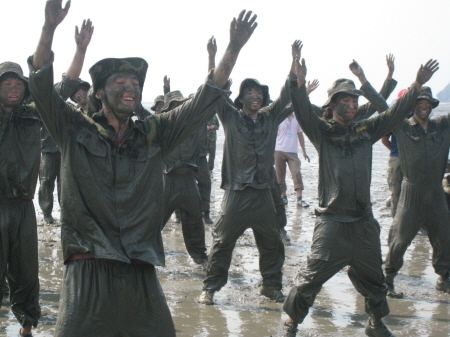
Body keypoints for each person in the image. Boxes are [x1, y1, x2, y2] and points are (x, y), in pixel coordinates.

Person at [29, 1, 258, 335]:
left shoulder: (154, 133)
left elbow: (204, 100)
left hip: (139, 263)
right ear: (99, 92)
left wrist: (233, 49)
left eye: (135, 82)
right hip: (88, 262)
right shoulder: (72, 127)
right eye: (120, 80)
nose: (131, 86)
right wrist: (49, 28)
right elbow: (39, 83)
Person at [281, 54, 438, 337]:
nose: (352, 106)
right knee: (310, 278)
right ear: (333, 105)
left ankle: (376, 324)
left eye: (355, 102)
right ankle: (291, 323)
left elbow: (394, 112)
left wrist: (416, 84)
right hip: (332, 223)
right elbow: (302, 109)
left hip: (364, 223)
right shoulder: (322, 132)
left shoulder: (366, 130)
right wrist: (298, 81)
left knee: (375, 279)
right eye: (346, 101)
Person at [198, 40, 305, 306]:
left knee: (272, 243)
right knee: (222, 243)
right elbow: (212, 90)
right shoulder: (230, 116)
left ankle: (270, 287)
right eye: (250, 92)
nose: (255, 96)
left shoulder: (271, 117)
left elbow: (286, 92)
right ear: (241, 98)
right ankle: (210, 289)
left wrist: (294, 61)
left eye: (259, 92)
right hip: (236, 193)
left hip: (263, 195)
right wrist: (212, 59)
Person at [384, 86, 450, 299]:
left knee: (444, 237)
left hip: (436, 193)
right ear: (413, 106)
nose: (424, 106)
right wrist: (364, 81)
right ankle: (388, 279)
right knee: (400, 240)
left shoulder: (441, 126)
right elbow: (381, 106)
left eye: (427, 103)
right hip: (410, 194)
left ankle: (444, 278)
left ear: (432, 106)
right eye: (420, 103)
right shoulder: (403, 127)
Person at [38, 18, 94, 225]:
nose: (80, 94)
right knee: (46, 180)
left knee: (65, 182)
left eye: (83, 91)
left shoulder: (75, 111)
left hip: (64, 149)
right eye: (76, 91)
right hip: (47, 148)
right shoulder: (50, 103)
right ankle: (46, 212)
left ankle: (65, 210)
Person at [0, 61, 42, 337]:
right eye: (7, 84)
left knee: (26, 271)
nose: (14, 89)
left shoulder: (34, 116)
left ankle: (27, 326)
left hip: (24, 207)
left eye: (18, 85)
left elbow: (63, 88)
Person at [160, 90, 209, 267]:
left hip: (189, 179)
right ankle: (142, 253)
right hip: (167, 180)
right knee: (154, 220)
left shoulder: (193, 124)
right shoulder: (161, 127)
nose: (179, 108)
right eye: (174, 105)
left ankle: (200, 255)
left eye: (181, 104)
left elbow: (207, 102)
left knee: (195, 219)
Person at [275, 108, 311, 207]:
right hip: (279, 150)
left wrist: (304, 152)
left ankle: (299, 199)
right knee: (280, 175)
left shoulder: (297, 118)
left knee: (296, 172)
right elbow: (273, 134)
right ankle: (283, 197)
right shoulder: (279, 117)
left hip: (292, 152)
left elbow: (300, 135)